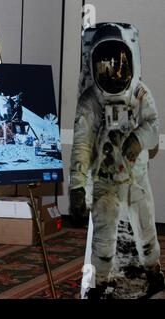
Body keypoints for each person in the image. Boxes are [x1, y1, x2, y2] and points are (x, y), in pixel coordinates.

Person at [69, 22, 164, 299]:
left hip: (135, 176)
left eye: (119, 63)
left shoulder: (139, 93)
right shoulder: (91, 101)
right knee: (103, 234)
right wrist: (77, 186)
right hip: (104, 179)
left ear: (129, 58)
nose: (112, 71)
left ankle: (153, 271)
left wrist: (138, 140)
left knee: (146, 228)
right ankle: (98, 283)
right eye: (104, 64)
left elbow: (153, 125)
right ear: (94, 63)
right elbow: (83, 144)